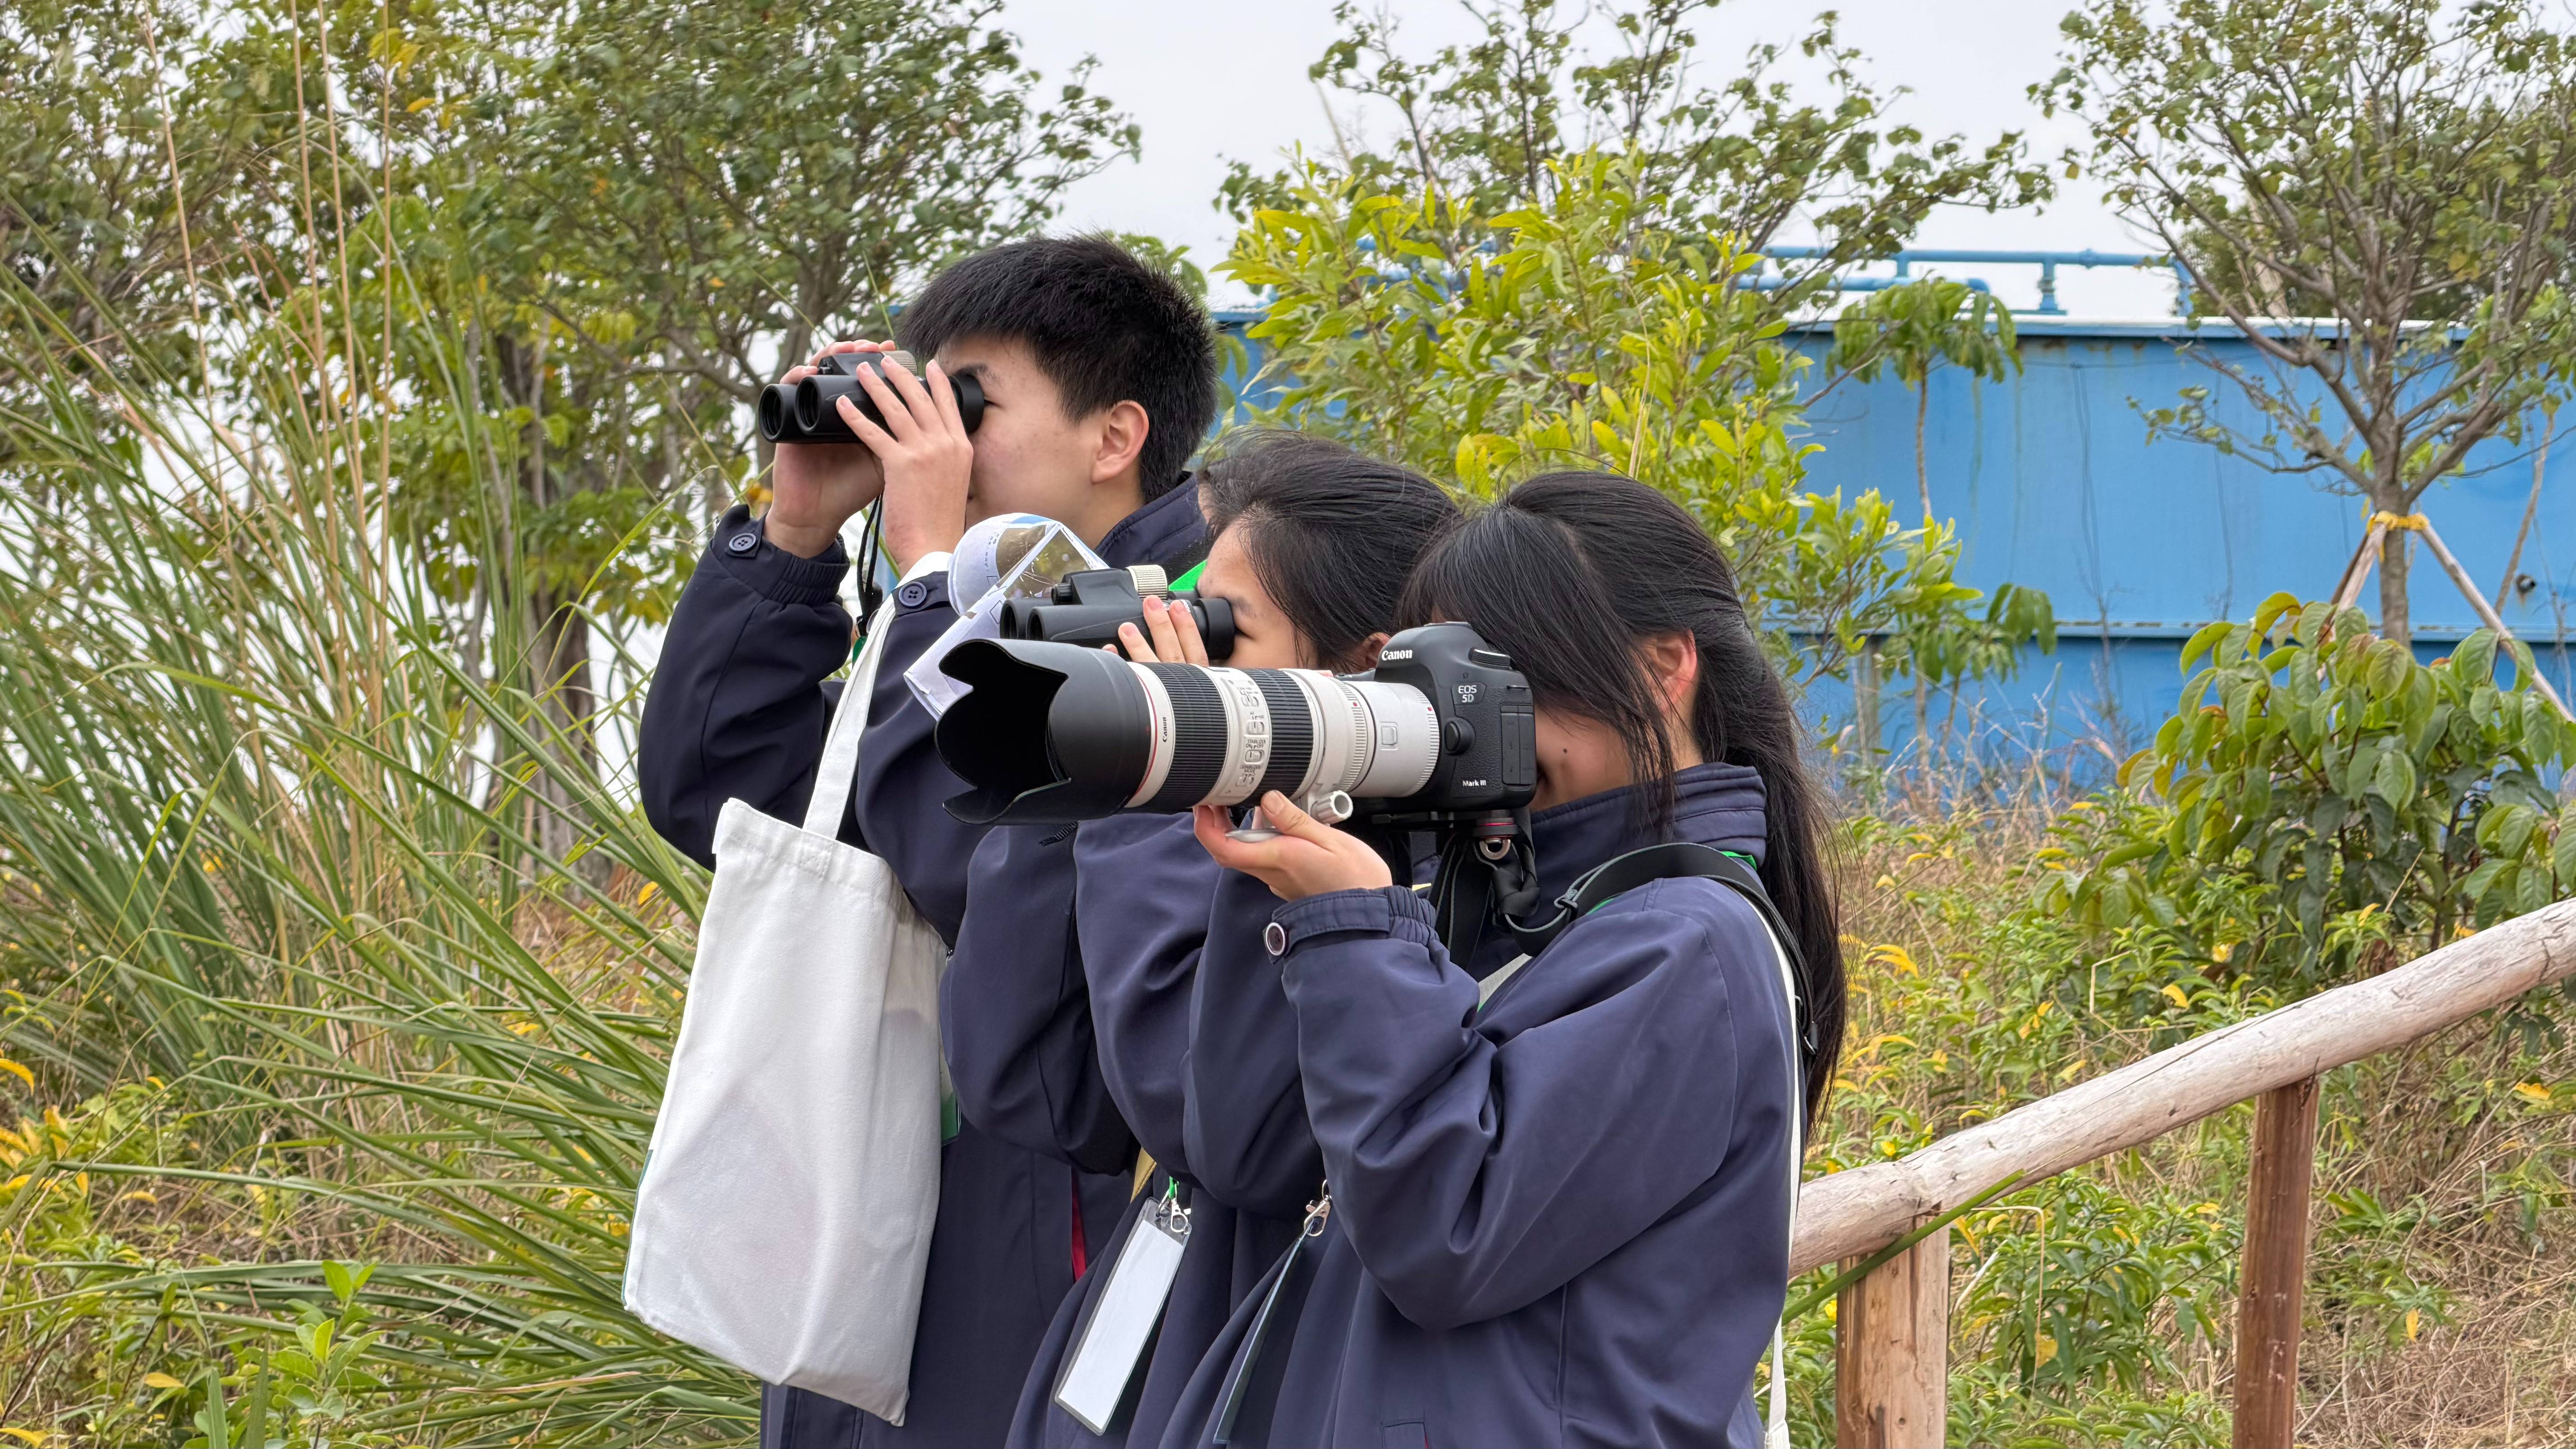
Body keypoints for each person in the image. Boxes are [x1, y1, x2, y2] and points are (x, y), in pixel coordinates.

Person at [638, 235, 1219, 1449]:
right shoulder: (987, 604)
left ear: (1115, 437)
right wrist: (797, 531)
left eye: (970, 404)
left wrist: (930, 586)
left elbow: (963, 862)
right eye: (922, 395)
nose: (930, 438)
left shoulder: (1190, 627)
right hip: (883, 1205)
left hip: (1049, 1216)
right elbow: (723, 796)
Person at [1166, 472, 1850, 1448]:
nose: (1484, 716)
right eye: (1456, 680)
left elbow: (1449, 1223)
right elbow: (1246, 1145)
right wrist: (1306, 847)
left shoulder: (1692, 944)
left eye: (1511, 674)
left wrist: (1357, 931)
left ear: (1665, 667)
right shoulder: (1527, 903)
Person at [935, 432, 1460, 1448]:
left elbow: (1210, 1121)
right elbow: (1020, 1075)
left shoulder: (1396, 895)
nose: (1186, 654)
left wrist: (1168, 781)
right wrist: (1095, 779)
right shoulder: (1227, 842)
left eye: (1225, 631)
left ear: (1363, 670)